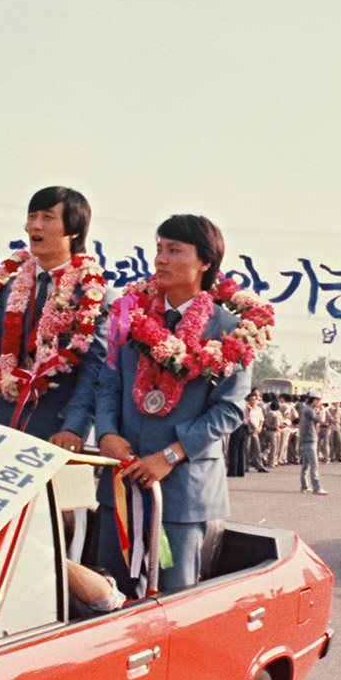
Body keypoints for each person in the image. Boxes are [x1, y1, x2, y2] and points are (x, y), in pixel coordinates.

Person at [94, 215, 264, 595]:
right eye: (158, 249)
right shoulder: (131, 316)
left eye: (174, 250)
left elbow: (229, 410)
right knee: (106, 597)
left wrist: (170, 456)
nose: (160, 259)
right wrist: (106, 435)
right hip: (121, 481)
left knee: (174, 601)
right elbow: (108, 385)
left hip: (184, 490)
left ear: (205, 262)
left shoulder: (232, 330)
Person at [0, 187, 108, 448]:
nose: (35, 226)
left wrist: (74, 428)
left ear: (74, 229)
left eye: (47, 217)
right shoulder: (6, 288)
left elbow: (93, 372)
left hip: (55, 434)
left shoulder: (93, 295)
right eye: (32, 216)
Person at [297, 392, 326, 495]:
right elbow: (321, 420)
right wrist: (323, 410)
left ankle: (304, 486)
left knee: (305, 464)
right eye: (317, 400)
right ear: (312, 400)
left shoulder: (307, 409)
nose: (318, 402)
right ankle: (316, 487)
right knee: (314, 464)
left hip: (307, 438)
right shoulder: (309, 410)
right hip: (309, 439)